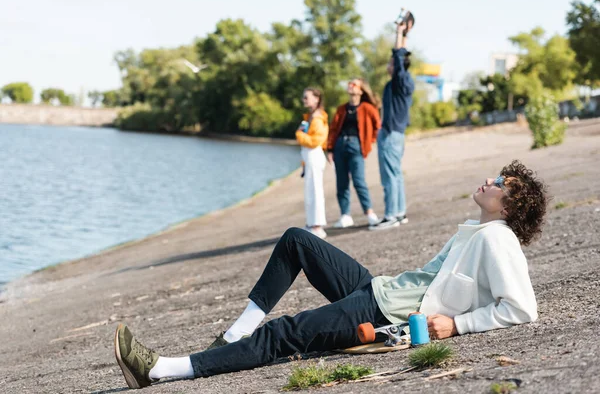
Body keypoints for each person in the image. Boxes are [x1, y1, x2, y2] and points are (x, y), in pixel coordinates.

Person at [114, 160, 547, 389]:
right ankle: (229, 338)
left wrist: (457, 325)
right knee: (296, 241)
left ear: (508, 207)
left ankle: (163, 371)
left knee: (284, 334)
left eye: (499, 183)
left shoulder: (497, 240)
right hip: (380, 290)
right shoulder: (479, 229)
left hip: (387, 313)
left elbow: (522, 308)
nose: (489, 181)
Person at [370, 21, 415, 231]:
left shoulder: (401, 80)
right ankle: (399, 213)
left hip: (391, 135)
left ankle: (390, 216)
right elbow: (401, 56)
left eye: (391, 63)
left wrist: (398, 33)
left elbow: (398, 56)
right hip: (396, 134)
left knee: (389, 176)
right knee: (395, 175)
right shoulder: (398, 82)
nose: (389, 65)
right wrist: (405, 34)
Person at [327, 78, 381, 228]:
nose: (350, 86)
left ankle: (369, 213)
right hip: (340, 146)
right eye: (349, 84)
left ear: (361, 90)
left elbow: (378, 127)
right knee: (341, 182)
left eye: (354, 85)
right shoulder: (341, 109)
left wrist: (369, 142)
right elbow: (333, 129)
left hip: (356, 145)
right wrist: (330, 149)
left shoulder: (368, 108)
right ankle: (345, 215)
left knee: (359, 181)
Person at [295, 88, 329, 239]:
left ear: (316, 98)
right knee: (309, 191)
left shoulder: (318, 118)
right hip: (308, 157)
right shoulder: (310, 116)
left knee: (315, 191)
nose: (304, 100)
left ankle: (318, 226)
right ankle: (311, 223)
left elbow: (317, 141)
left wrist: (300, 135)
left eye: (306, 97)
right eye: (303, 97)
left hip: (314, 155)